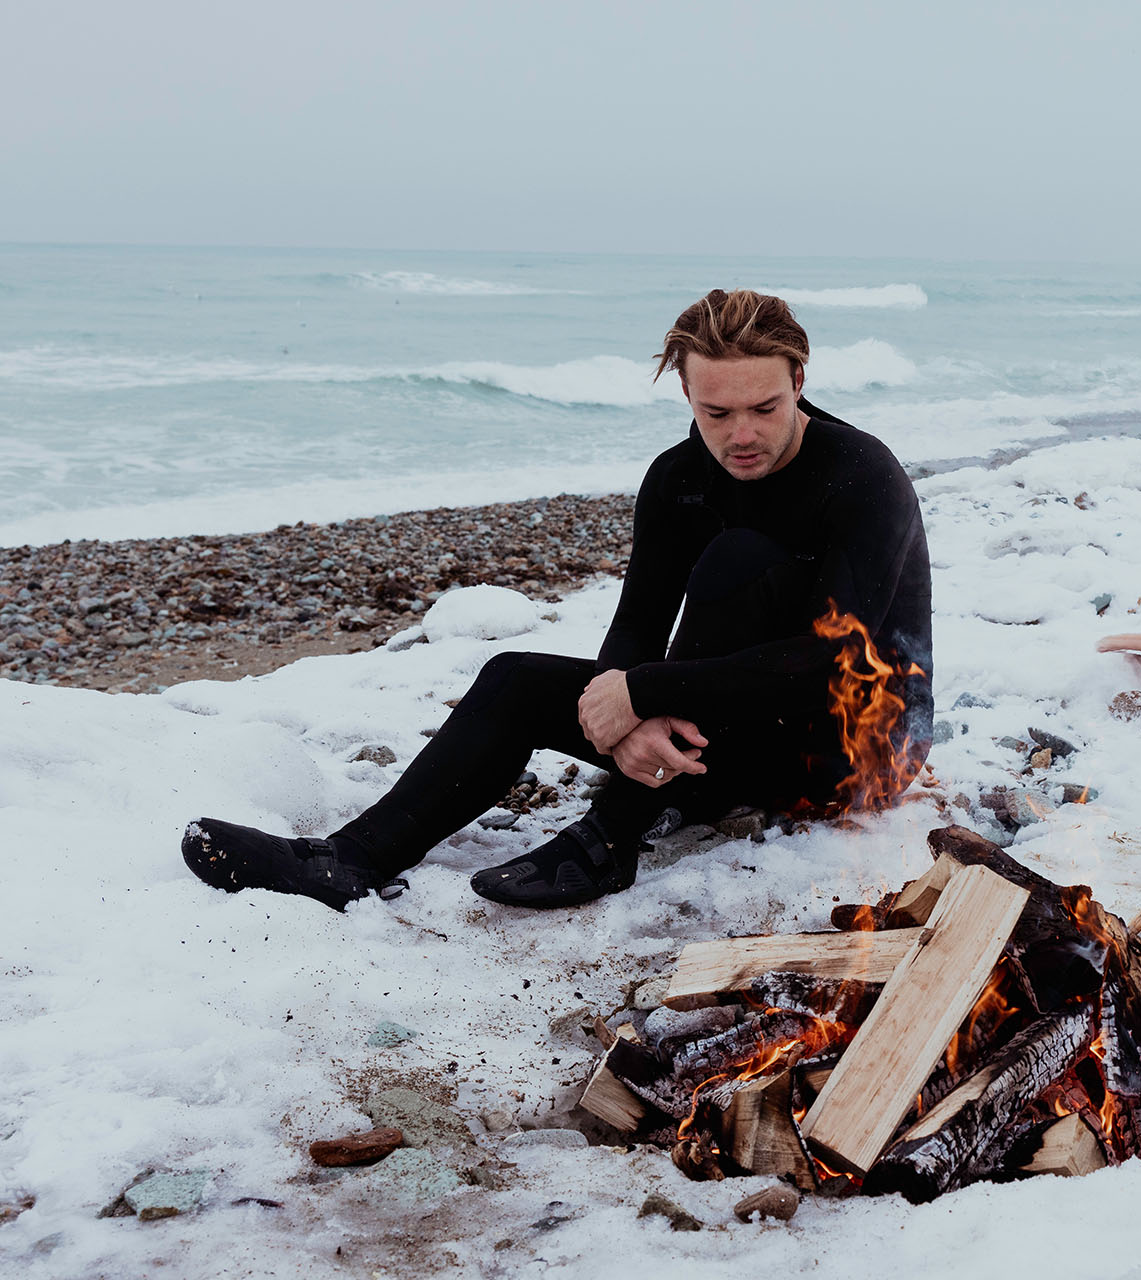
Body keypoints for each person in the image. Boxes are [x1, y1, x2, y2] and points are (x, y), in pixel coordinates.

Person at [182, 288, 932, 911]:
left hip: (855, 752)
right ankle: (349, 861)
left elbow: (835, 663)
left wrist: (642, 693)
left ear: (799, 380)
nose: (740, 435)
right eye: (716, 413)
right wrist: (621, 717)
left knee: (737, 564)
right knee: (514, 680)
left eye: (764, 408)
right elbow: (638, 622)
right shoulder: (678, 478)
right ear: (687, 394)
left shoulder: (863, 477)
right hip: (732, 735)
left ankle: (611, 835)